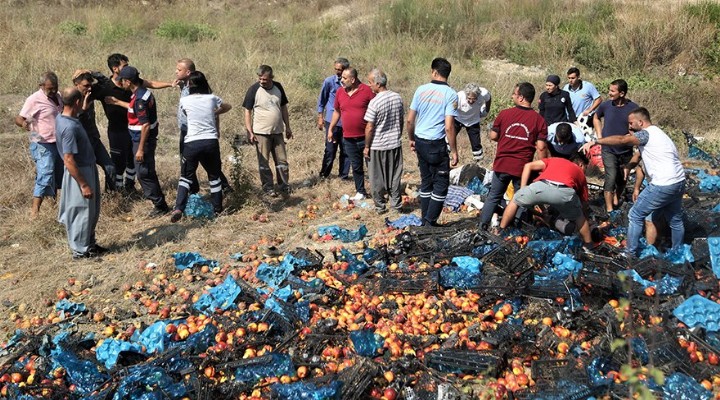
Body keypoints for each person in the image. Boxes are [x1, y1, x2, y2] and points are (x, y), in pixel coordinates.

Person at [582, 107, 685, 257]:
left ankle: (629, 253)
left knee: (635, 215)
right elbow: (638, 154)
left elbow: (622, 140)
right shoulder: (658, 134)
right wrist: (629, 166)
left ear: (641, 122)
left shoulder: (646, 134)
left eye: (631, 123)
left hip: (663, 184)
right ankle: (678, 252)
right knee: (675, 219)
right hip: (679, 182)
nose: (629, 127)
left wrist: (596, 141)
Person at [88, 54, 172, 192]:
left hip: (134, 129)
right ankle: (115, 191)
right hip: (116, 131)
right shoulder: (104, 87)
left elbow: (151, 83)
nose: (128, 68)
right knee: (117, 161)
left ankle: (130, 186)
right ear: (115, 69)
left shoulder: (131, 82)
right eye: (124, 66)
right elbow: (85, 95)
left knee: (132, 160)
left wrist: (170, 84)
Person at [479, 82, 549, 230]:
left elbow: (493, 136)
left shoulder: (505, 114)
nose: (512, 96)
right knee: (521, 199)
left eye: (514, 94)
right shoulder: (539, 120)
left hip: (502, 164)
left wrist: (507, 138)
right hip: (522, 169)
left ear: (521, 97)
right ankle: (516, 228)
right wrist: (544, 166)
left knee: (493, 197)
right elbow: (541, 147)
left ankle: (482, 227)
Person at [106, 66, 170, 217]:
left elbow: (145, 124)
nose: (120, 83)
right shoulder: (141, 94)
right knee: (147, 170)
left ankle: (160, 205)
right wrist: (116, 102)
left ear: (128, 81)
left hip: (142, 141)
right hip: (142, 139)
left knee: (143, 173)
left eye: (122, 80)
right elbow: (132, 108)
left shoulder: (140, 99)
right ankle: (160, 203)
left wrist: (140, 149)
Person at [171, 71, 232, 222]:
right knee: (214, 176)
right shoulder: (212, 98)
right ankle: (217, 209)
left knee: (186, 177)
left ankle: (179, 207)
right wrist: (215, 112)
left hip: (192, 142)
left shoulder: (185, 100)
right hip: (210, 141)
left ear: (190, 85)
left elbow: (186, 113)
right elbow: (227, 107)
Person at [498, 153, 595, 247]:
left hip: (542, 186)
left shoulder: (555, 160)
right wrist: (584, 219)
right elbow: (584, 204)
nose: (584, 172)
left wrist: (523, 189)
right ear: (581, 165)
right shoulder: (580, 173)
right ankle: (588, 245)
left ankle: (501, 231)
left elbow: (528, 166)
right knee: (579, 217)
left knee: (515, 200)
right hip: (564, 192)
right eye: (585, 169)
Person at [407, 57, 459, 226]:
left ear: (434, 72)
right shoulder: (451, 94)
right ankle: (430, 221)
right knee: (441, 184)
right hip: (436, 144)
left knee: (426, 181)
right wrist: (454, 151)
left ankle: (425, 220)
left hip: (421, 141)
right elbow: (449, 126)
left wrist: (411, 138)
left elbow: (409, 120)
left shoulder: (420, 90)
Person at [55, 87, 105, 259]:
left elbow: (76, 115)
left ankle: (89, 244)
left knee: (91, 210)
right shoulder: (68, 128)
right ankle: (79, 251)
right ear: (76, 102)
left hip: (87, 168)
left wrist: (83, 106)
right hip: (79, 172)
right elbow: (68, 160)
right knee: (80, 212)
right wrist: (83, 184)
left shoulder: (64, 118)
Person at [15, 71, 63, 218]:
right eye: (50, 88)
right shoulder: (34, 99)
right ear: (41, 86)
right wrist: (25, 125)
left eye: (55, 87)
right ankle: (35, 210)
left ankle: (53, 204)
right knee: (45, 173)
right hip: (42, 143)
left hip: (58, 142)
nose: (53, 91)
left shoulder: (58, 96)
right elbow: (19, 118)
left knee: (57, 173)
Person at [243, 65, 293, 197]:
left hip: (277, 132)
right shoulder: (254, 89)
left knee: (282, 161)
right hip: (261, 133)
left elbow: (283, 108)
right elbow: (247, 111)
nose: (261, 81)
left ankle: (283, 186)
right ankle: (268, 188)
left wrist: (287, 127)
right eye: (260, 78)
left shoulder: (278, 87)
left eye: (264, 79)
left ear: (271, 77)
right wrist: (250, 131)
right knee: (264, 162)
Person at [328, 67, 375, 200]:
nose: (341, 80)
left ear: (353, 79)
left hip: (366, 137)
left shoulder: (366, 91)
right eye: (341, 77)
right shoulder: (340, 92)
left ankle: (378, 190)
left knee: (372, 166)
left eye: (344, 78)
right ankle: (360, 191)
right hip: (348, 137)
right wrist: (331, 128)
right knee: (356, 166)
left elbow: (377, 108)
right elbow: (337, 111)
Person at [593, 79, 639, 213]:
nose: (609, 93)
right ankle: (609, 209)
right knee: (610, 177)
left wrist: (633, 136)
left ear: (622, 93)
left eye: (612, 91)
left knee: (622, 178)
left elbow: (637, 126)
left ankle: (617, 196)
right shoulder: (606, 106)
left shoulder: (633, 108)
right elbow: (596, 117)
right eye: (609, 90)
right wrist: (600, 137)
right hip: (608, 149)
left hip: (625, 149)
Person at [363, 69, 404, 214]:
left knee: (376, 177)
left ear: (378, 84)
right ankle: (396, 205)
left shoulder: (375, 102)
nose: (369, 85)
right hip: (394, 144)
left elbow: (369, 127)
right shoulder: (397, 98)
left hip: (378, 145)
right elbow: (401, 120)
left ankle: (380, 206)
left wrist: (366, 146)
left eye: (370, 82)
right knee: (394, 176)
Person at [72, 71, 116, 192]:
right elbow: (69, 121)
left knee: (110, 168)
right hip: (82, 144)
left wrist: (91, 72)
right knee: (88, 173)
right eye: (85, 85)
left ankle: (111, 196)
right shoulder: (70, 99)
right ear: (76, 84)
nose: (89, 88)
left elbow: (107, 83)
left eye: (90, 85)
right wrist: (83, 110)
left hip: (94, 139)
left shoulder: (91, 94)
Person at [317, 57, 351, 180]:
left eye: (340, 70)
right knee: (330, 150)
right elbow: (322, 100)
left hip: (347, 122)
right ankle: (324, 174)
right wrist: (320, 117)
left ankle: (344, 176)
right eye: (336, 69)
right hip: (332, 121)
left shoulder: (351, 83)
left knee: (346, 150)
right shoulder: (329, 82)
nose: (337, 72)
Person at [454, 83, 491, 162]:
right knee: (449, 138)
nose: (471, 101)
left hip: (473, 120)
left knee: (476, 143)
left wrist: (486, 110)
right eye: (469, 98)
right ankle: (444, 157)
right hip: (458, 119)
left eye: (474, 99)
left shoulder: (484, 93)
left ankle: (479, 161)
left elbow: (488, 99)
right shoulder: (459, 96)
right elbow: (451, 108)